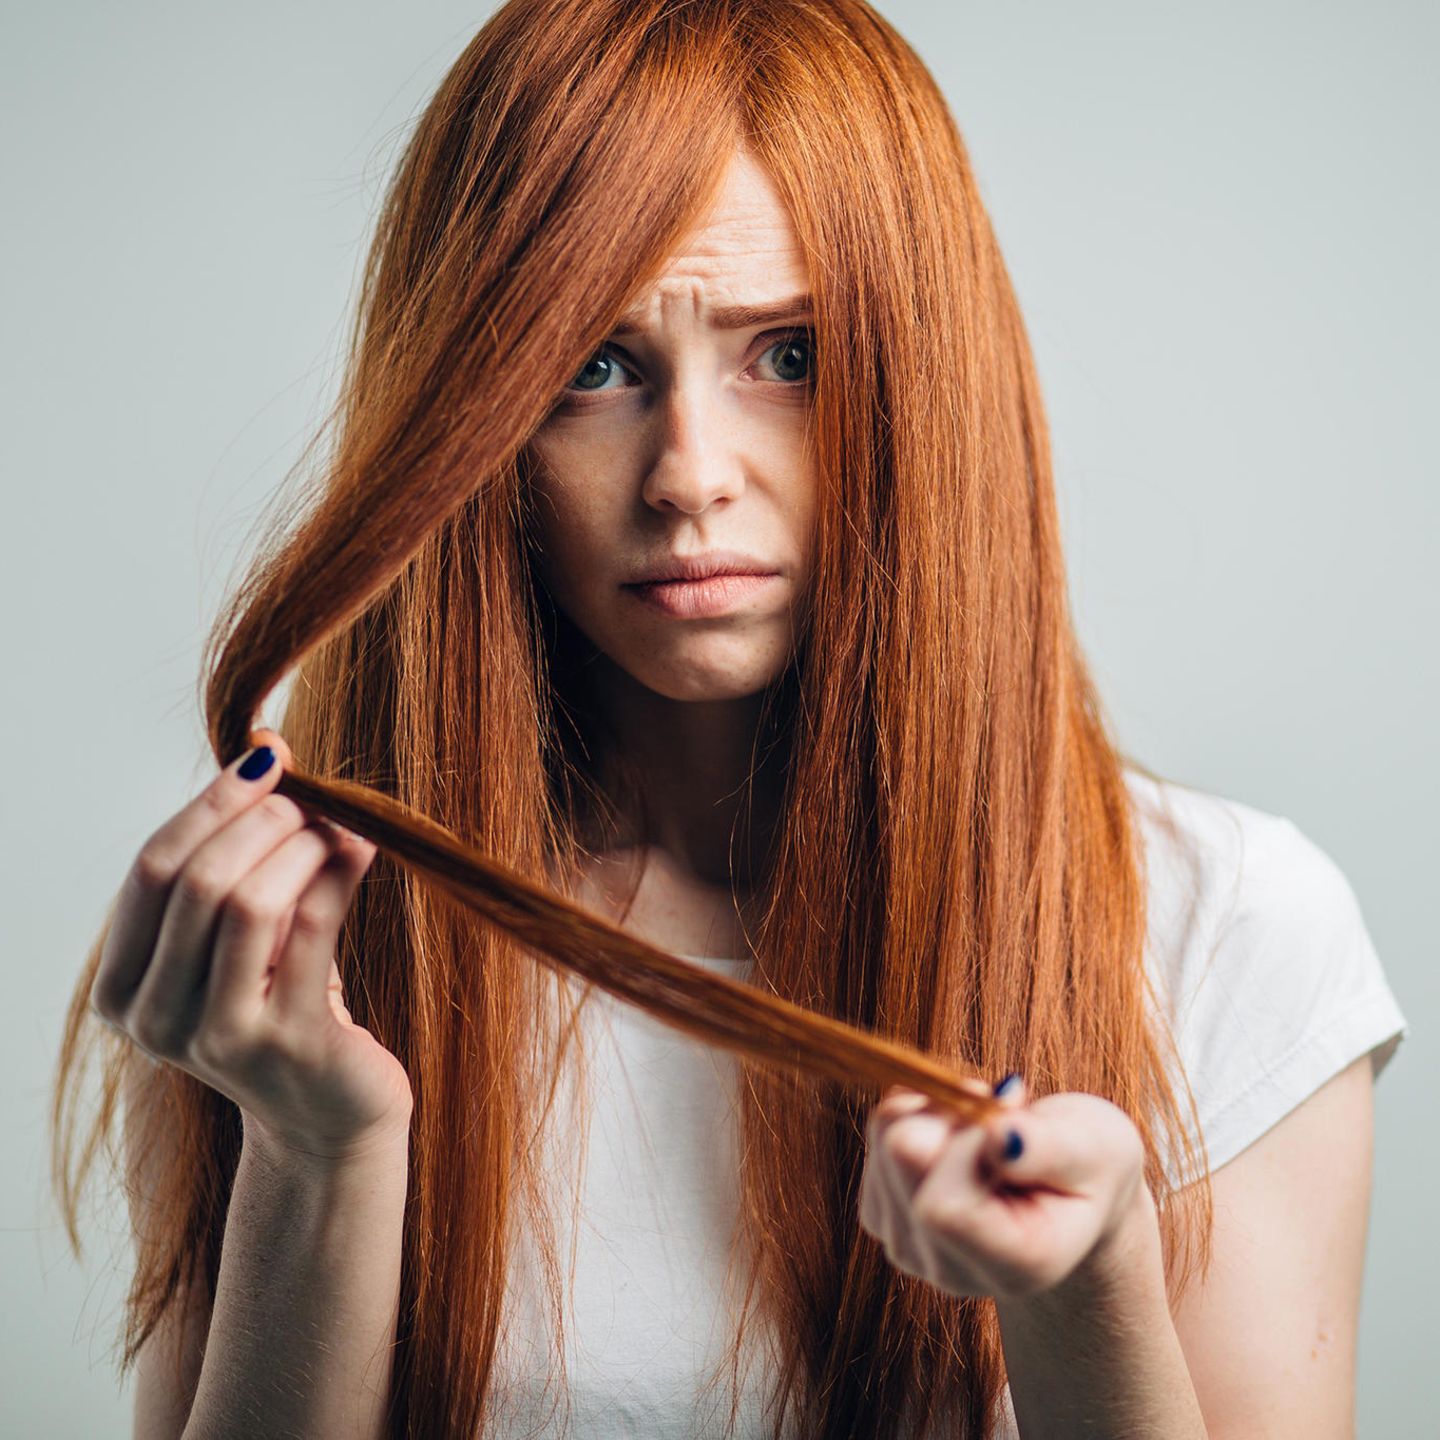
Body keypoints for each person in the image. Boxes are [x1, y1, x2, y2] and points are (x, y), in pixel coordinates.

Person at [53, 3, 1407, 1438]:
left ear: (925, 385)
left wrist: (1093, 1296)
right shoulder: (272, 965)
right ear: (465, 418)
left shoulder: (1234, 932)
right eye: (591, 366)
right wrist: (315, 1151)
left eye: (791, 356)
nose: (691, 476)